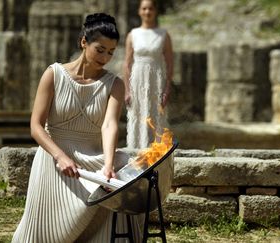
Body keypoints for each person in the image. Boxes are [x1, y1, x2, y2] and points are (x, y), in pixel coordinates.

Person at [12, 13, 143, 242]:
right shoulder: (53, 74)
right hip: (55, 160)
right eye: (100, 49)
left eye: (111, 52)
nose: (105, 57)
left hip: (93, 157)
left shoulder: (115, 84)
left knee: (125, 168)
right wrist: (60, 156)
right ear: (84, 42)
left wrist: (109, 167)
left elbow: (110, 125)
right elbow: (36, 126)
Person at [124, 0, 174, 149]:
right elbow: (126, 64)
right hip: (137, 80)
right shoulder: (133, 34)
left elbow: (170, 63)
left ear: (155, 11)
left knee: (156, 116)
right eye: (144, 8)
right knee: (137, 115)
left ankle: (156, 155)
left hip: (156, 80)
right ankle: (136, 153)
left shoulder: (164, 35)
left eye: (150, 8)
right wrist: (127, 89)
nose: (147, 12)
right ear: (140, 11)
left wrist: (167, 88)